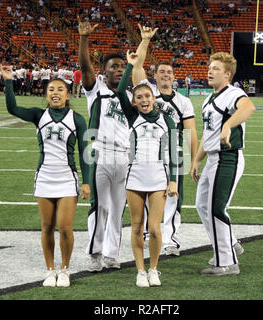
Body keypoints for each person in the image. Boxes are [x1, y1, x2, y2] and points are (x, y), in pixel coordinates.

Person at [0, 63, 91, 287]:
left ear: (68, 94)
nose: (55, 93)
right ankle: (50, 270)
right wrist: (9, 81)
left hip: (67, 178)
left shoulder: (77, 119)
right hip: (44, 177)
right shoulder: (38, 115)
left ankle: (65, 269)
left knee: (65, 227)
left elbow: (85, 152)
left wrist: (86, 182)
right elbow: (13, 109)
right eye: (51, 90)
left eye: (60, 89)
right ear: (46, 94)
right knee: (47, 226)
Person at [132, 24, 198, 256]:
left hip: (175, 152)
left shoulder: (184, 102)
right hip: (149, 152)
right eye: (162, 72)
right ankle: (152, 233)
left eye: (169, 72)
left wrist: (193, 160)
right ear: (156, 75)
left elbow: (190, 131)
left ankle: (169, 239)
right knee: (150, 194)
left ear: (174, 76)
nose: (166, 75)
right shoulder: (148, 93)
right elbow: (137, 66)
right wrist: (145, 40)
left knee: (173, 198)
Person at [117, 51, 178, 287]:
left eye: (147, 96)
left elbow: (174, 152)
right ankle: (140, 271)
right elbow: (121, 91)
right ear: (134, 102)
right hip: (134, 179)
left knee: (154, 228)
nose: (143, 99)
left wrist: (174, 181)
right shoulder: (132, 116)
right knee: (136, 226)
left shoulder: (167, 120)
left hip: (158, 179)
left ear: (154, 99)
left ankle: (154, 269)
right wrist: (131, 67)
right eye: (139, 97)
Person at [192, 52, 255, 275]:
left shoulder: (233, 93)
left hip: (227, 157)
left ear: (227, 75)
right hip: (212, 159)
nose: (210, 71)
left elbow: (248, 108)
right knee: (202, 205)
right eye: (210, 67)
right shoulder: (209, 99)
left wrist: (229, 125)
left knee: (217, 208)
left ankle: (227, 262)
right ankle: (231, 243)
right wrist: (196, 160)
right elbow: (208, 134)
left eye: (216, 68)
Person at [78, 18, 131, 272]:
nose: (120, 70)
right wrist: (84, 38)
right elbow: (84, 67)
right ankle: (95, 252)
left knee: (118, 208)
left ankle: (111, 254)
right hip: (99, 151)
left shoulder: (130, 96)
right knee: (98, 205)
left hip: (123, 156)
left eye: (122, 66)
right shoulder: (95, 89)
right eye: (114, 66)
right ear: (104, 71)